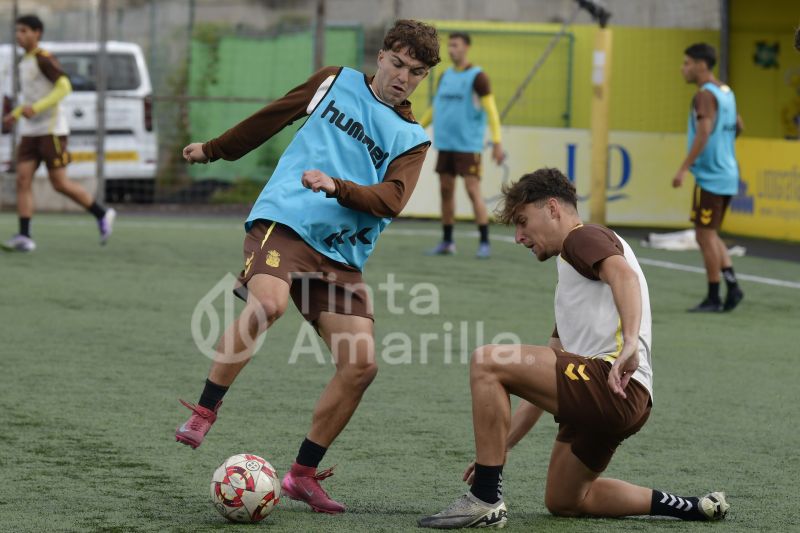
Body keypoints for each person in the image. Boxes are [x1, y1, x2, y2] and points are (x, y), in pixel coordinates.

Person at [175, 20, 440, 514]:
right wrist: (214, 150)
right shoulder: (335, 81)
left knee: (361, 366)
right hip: (286, 220)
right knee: (269, 305)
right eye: (399, 64)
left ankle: (301, 475)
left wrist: (338, 186)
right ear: (381, 56)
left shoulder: (411, 137)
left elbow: (392, 199)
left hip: (340, 254)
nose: (404, 77)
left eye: (417, 72)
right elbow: (272, 117)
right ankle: (205, 409)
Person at [419, 168, 729, 529]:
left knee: (488, 360)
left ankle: (485, 499)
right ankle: (692, 506)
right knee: (566, 500)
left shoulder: (581, 238)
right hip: (620, 397)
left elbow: (623, 276)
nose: (519, 237)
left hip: (610, 382)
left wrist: (630, 343)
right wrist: (498, 450)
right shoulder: (572, 277)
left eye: (522, 221)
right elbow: (538, 386)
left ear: (552, 208)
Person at [1, 14, 115, 253]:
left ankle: (102, 213)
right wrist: (17, 113)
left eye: (24, 31)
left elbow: (64, 87)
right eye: (17, 31)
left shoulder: (45, 59)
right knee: (23, 179)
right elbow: (32, 98)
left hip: (51, 130)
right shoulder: (24, 62)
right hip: (30, 131)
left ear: (37, 33)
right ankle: (24, 236)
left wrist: (37, 108)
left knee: (60, 183)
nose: (19, 36)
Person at [420, 31, 505, 259]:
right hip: (445, 144)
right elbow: (435, 108)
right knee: (445, 191)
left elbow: (492, 112)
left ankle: (484, 241)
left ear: (466, 47)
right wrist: (417, 129)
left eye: (455, 45)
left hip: (468, 146)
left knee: (472, 190)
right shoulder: (444, 76)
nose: (451, 50)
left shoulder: (478, 77)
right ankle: (447, 242)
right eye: (449, 46)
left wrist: (497, 142)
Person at [673, 43, 743, 312]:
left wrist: (683, 168)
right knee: (711, 233)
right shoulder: (726, 91)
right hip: (728, 171)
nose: (684, 68)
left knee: (703, 236)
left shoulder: (703, 95)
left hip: (711, 176)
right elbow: (738, 125)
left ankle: (714, 297)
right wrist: (723, 147)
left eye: (687, 63)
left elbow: (704, 131)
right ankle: (732, 285)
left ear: (702, 65)